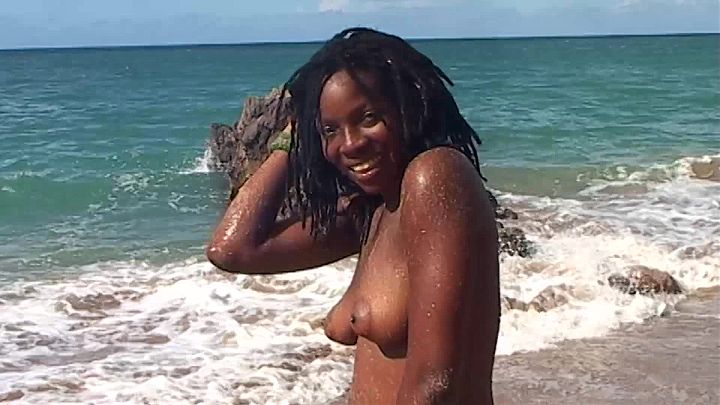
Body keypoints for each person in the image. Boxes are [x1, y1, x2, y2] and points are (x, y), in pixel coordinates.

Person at [207, 27, 500, 405]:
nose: (350, 144)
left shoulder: (433, 177)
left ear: (408, 106)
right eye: (330, 130)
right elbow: (232, 250)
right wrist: (295, 135)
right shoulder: (372, 214)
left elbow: (434, 386)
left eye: (368, 117)